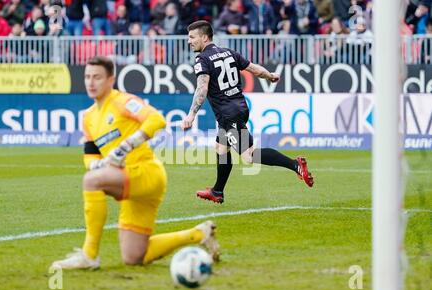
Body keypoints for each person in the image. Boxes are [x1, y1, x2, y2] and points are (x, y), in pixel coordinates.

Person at [51, 56, 220, 270]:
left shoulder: (122, 101)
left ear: (110, 79)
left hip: (145, 172)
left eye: (97, 77)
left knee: (91, 182)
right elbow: (90, 154)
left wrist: (124, 148)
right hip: (128, 180)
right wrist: (97, 166)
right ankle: (198, 233)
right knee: (134, 257)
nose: (91, 82)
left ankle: (89, 255)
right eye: (87, 77)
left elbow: (157, 120)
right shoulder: (88, 117)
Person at [181, 20, 314, 204]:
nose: (189, 41)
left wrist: (191, 115)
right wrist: (270, 75)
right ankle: (217, 191)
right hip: (240, 108)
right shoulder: (228, 52)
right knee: (221, 148)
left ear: (204, 37)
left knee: (249, 156)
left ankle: (295, 164)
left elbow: (202, 88)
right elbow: (253, 68)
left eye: (192, 37)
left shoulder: (201, 59)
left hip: (229, 115)